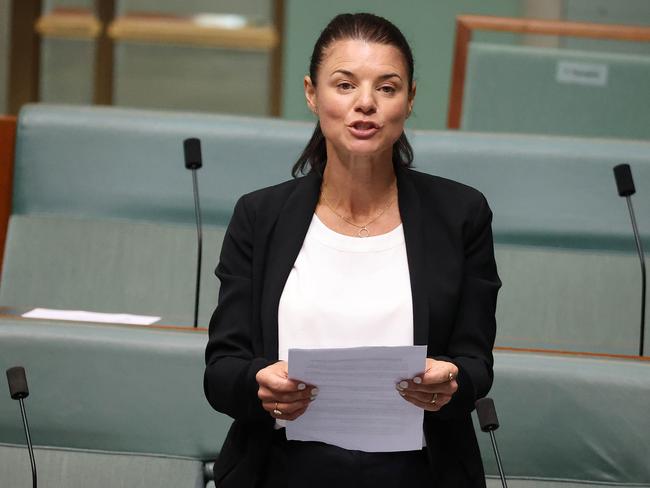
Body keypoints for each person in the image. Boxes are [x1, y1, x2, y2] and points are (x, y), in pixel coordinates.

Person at [204, 12, 501, 488]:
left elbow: (475, 363)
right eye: (344, 85)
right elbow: (221, 370)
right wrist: (260, 384)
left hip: (420, 471)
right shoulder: (259, 216)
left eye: (387, 88)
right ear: (311, 93)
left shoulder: (461, 213)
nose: (366, 104)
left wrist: (451, 381)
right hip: (280, 468)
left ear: (409, 99)